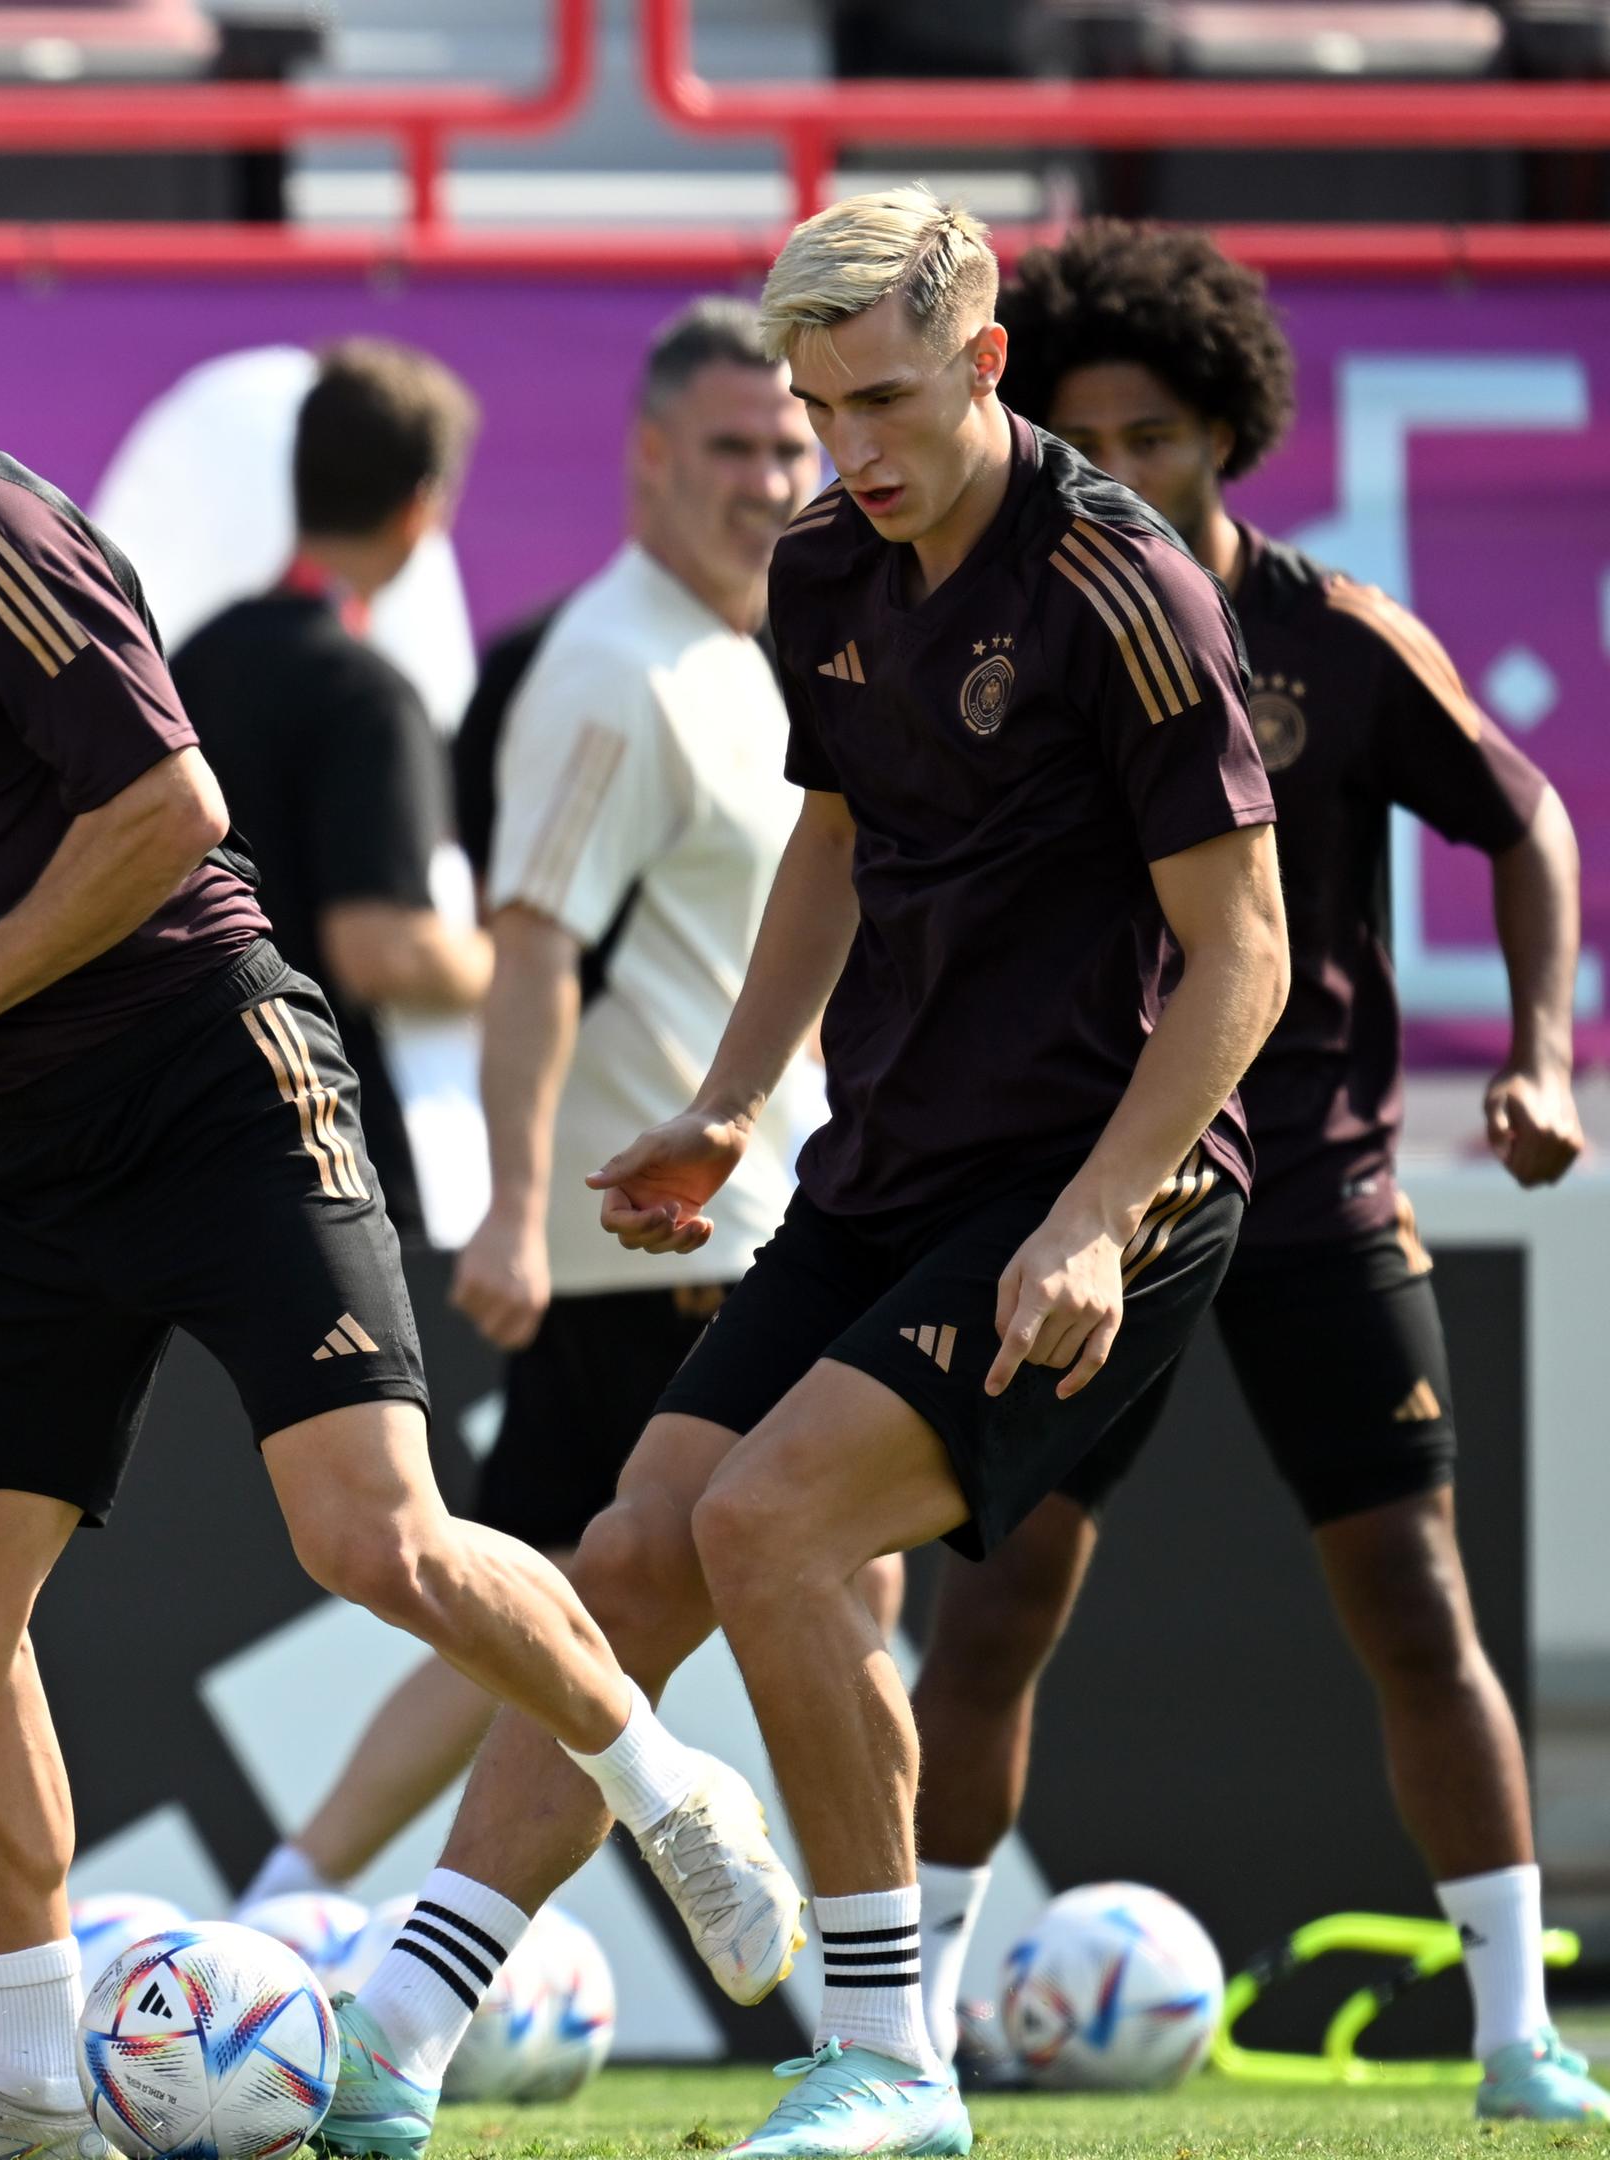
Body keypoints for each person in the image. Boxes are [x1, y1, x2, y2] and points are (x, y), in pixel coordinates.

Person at [0, 191, 801, 2160]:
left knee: (379, 1544)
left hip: (220, 1078)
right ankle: (25, 2091)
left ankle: (673, 1792)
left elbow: (175, 805)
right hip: (41, 1137)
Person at [351, 186, 1291, 2158]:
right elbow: (836, 847)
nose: (845, 450)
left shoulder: (1123, 584)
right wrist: (722, 1099)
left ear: (983, 365)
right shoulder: (824, 573)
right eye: (813, 406)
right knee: (622, 1558)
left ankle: (897, 2066)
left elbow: (1249, 956)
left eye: (881, 403)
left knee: (771, 1526)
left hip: (1103, 1186)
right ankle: (399, 2045)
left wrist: (1094, 1224)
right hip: (872, 1173)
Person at [911, 222, 1603, 2124]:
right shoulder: (1002, 637)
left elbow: (1526, 818)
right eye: (1084, 437)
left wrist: (1541, 1055)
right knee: (992, 1610)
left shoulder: (1333, 635)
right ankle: (909, 2032)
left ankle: (1519, 2038)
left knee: (1412, 1601)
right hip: (1084, 1202)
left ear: (1230, 430)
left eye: (1159, 435)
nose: (1121, 471)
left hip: (1305, 1187)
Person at [246, 298, 870, 1912]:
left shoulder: (755, 655)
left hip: (749, 1218)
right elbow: (534, 955)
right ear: (650, 458)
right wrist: (520, 1209)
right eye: (733, 445)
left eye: (789, 443)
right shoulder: (608, 667)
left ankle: (316, 1913)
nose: (767, 476)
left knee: (540, 1605)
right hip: (668, 1236)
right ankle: (889, 1975)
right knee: (814, 1584)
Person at [174, 341, 492, 1244]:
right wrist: (525, 966)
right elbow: (381, 949)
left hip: (182, 1127)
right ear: (422, 507)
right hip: (322, 1144)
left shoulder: (194, 657)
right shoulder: (368, 695)